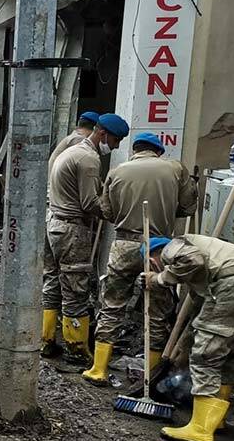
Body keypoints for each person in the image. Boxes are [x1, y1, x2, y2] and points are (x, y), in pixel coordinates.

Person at [81, 131, 198, 384]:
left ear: (135, 150)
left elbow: (107, 212)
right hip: (159, 246)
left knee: (112, 304)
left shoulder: (117, 171)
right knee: (157, 310)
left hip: (123, 244)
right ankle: (151, 375)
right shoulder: (175, 169)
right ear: (158, 151)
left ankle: (99, 368)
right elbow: (188, 207)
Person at [143, 235, 234, 441]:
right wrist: (183, 348)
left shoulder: (173, 247)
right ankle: (215, 421)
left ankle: (201, 430)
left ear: (153, 259)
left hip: (232, 284)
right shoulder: (208, 262)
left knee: (206, 354)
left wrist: (158, 280)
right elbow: (197, 317)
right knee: (230, 353)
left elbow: (193, 261)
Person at [41, 113, 130, 364]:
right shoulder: (89, 159)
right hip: (71, 229)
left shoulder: (72, 150)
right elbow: (89, 202)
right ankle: (76, 348)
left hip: (54, 223)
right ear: (102, 133)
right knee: (75, 289)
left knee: (53, 283)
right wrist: (115, 214)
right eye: (115, 140)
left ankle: (46, 340)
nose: (116, 146)